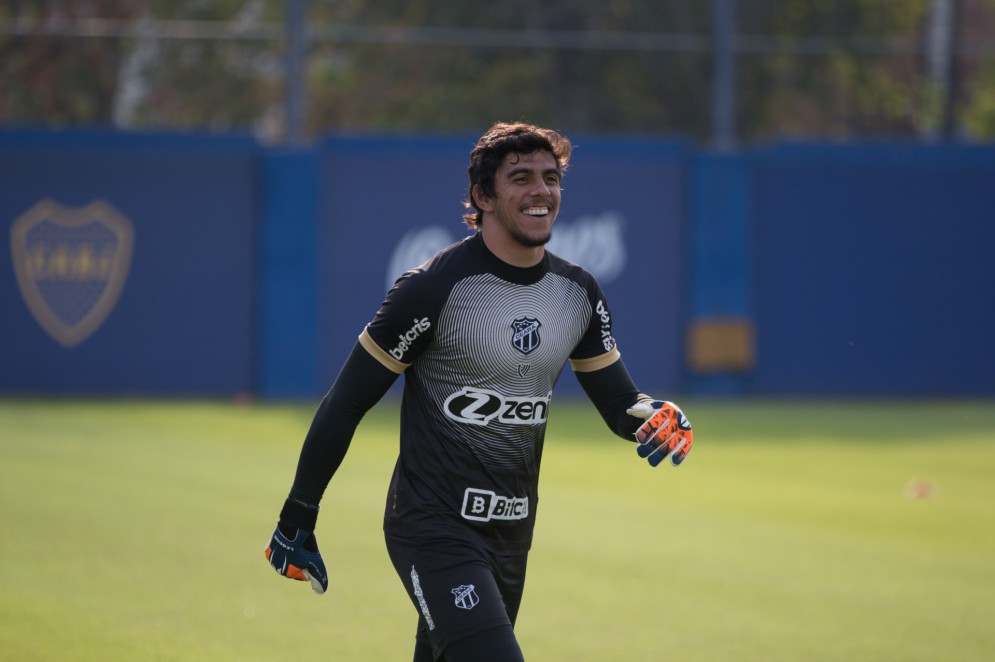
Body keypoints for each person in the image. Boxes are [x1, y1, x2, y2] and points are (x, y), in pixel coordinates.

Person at [264, 121, 694, 661]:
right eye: (521, 178)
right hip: (432, 527)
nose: (541, 191)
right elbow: (347, 402)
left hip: (512, 531)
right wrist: (298, 513)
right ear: (482, 195)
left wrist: (655, 414)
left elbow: (617, 403)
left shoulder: (578, 292)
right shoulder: (433, 288)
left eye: (551, 177)